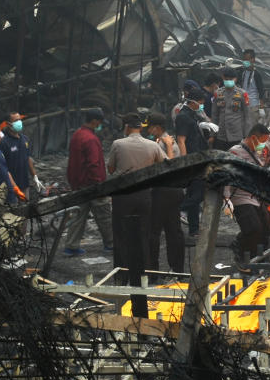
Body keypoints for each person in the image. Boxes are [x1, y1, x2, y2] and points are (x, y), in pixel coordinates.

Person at [107, 112, 167, 277]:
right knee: (143, 232)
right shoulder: (152, 145)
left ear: (126, 127)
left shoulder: (118, 144)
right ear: (140, 128)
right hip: (144, 194)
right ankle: (143, 271)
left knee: (121, 234)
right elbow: (164, 165)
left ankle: (122, 272)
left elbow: (111, 169)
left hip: (123, 195)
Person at [63, 109, 114, 256]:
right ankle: (110, 244)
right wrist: (99, 184)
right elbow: (93, 164)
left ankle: (71, 246)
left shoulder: (77, 134)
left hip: (78, 182)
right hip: (92, 184)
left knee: (78, 215)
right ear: (94, 121)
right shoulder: (90, 139)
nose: (100, 125)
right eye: (99, 122)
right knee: (104, 214)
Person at [228, 124, 270, 271]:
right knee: (253, 227)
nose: (263, 145)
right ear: (253, 138)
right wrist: (226, 199)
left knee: (266, 226)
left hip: (257, 195)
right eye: (262, 141)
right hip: (240, 196)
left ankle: (258, 256)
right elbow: (226, 176)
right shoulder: (235, 152)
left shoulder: (260, 152)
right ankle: (242, 255)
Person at [144, 112, 184, 274]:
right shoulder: (157, 142)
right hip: (168, 192)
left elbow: (172, 167)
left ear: (158, 128)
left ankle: (157, 271)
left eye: (150, 128)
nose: (148, 131)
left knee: (157, 232)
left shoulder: (167, 143)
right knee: (171, 230)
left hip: (164, 192)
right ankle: (174, 269)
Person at [176, 88, 212, 238]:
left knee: (194, 193)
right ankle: (177, 209)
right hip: (192, 161)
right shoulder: (183, 116)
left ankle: (194, 229)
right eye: (201, 103)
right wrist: (186, 162)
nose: (201, 106)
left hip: (198, 158)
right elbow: (181, 140)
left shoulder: (191, 114)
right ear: (194, 102)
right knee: (199, 193)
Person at [0, 112, 43, 202]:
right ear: (8, 124)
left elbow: (28, 159)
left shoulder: (25, 139)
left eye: (20, 120)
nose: (19, 122)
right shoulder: (3, 143)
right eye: (16, 120)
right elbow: (2, 167)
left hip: (24, 183)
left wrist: (34, 176)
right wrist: (12, 186)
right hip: (11, 186)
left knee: (26, 208)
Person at [214, 66, 250, 151]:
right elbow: (215, 114)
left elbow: (247, 116)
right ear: (223, 78)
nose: (229, 81)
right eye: (226, 79)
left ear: (236, 79)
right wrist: (213, 135)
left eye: (231, 79)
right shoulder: (218, 93)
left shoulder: (242, 94)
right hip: (221, 135)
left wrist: (246, 136)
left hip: (237, 135)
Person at [0, 122, 25, 202]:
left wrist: (16, 189)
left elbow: (6, 172)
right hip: (0, 199)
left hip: (10, 195)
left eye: (0, 132)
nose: (1, 136)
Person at [239, 49, 265, 125]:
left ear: (253, 59)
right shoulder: (242, 73)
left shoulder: (256, 74)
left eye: (247, 60)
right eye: (244, 60)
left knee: (252, 128)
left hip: (253, 106)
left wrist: (261, 108)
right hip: (243, 105)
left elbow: (261, 91)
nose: (245, 62)